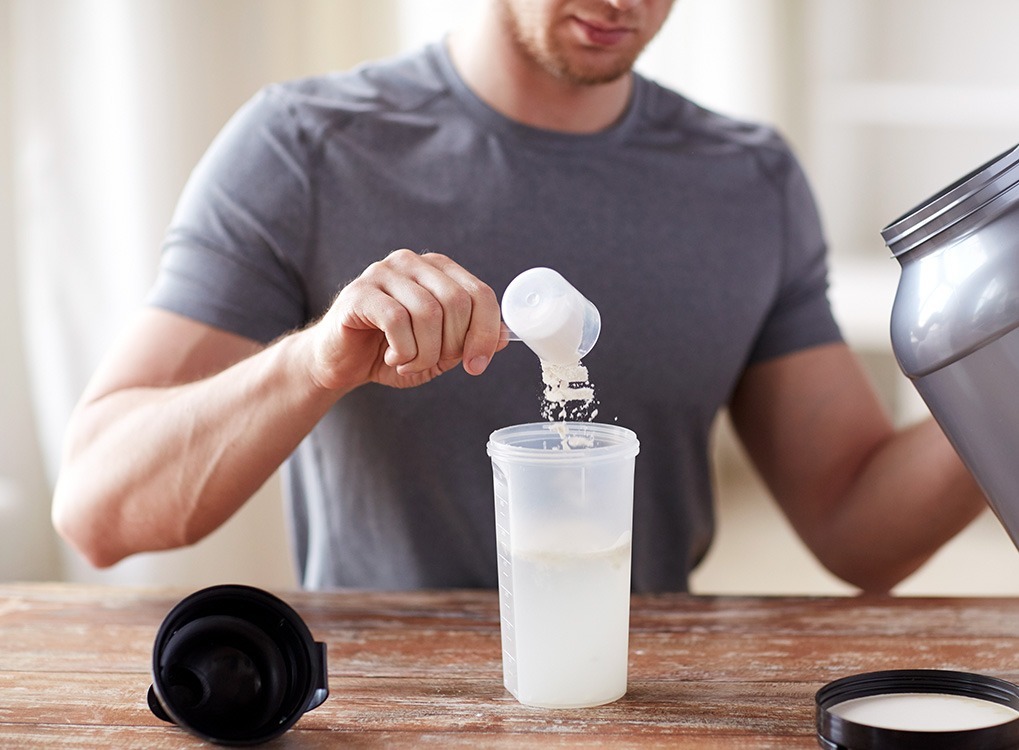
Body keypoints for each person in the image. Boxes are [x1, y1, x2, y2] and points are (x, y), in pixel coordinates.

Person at [52, 0, 985, 592]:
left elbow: (858, 529)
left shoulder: (748, 180)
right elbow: (97, 510)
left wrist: (1003, 362)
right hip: (384, 714)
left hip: (646, 706)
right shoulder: (305, 149)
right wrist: (313, 361)